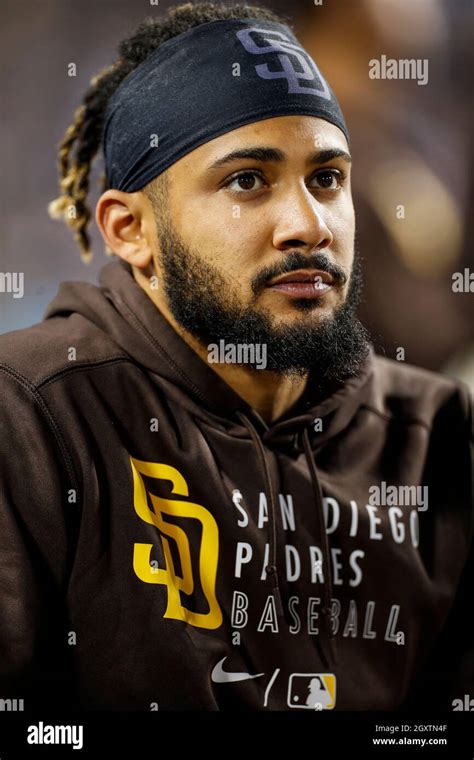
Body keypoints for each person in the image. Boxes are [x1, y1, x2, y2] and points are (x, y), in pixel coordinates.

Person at [0, 2, 472, 712]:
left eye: (327, 178)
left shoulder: (434, 432)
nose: (308, 225)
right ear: (130, 231)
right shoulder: (31, 417)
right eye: (248, 180)